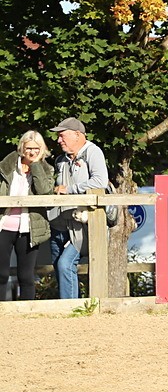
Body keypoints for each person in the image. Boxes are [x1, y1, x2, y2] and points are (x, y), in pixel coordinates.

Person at [48, 117, 109, 300]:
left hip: (82, 224)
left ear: (77, 135)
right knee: (59, 265)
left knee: (66, 264)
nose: (59, 140)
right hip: (59, 222)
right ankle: (69, 304)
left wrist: (70, 190)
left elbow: (100, 181)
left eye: (62, 135)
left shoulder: (93, 152)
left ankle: (71, 308)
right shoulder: (60, 160)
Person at [0, 131, 55, 300]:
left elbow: (44, 191)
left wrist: (36, 165)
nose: (32, 152)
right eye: (29, 148)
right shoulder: (6, 167)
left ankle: (27, 314)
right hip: (4, 225)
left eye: (36, 149)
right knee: (1, 274)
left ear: (42, 150)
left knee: (26, 276)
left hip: (29, 227)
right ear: (22, 147)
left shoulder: (47, 169)